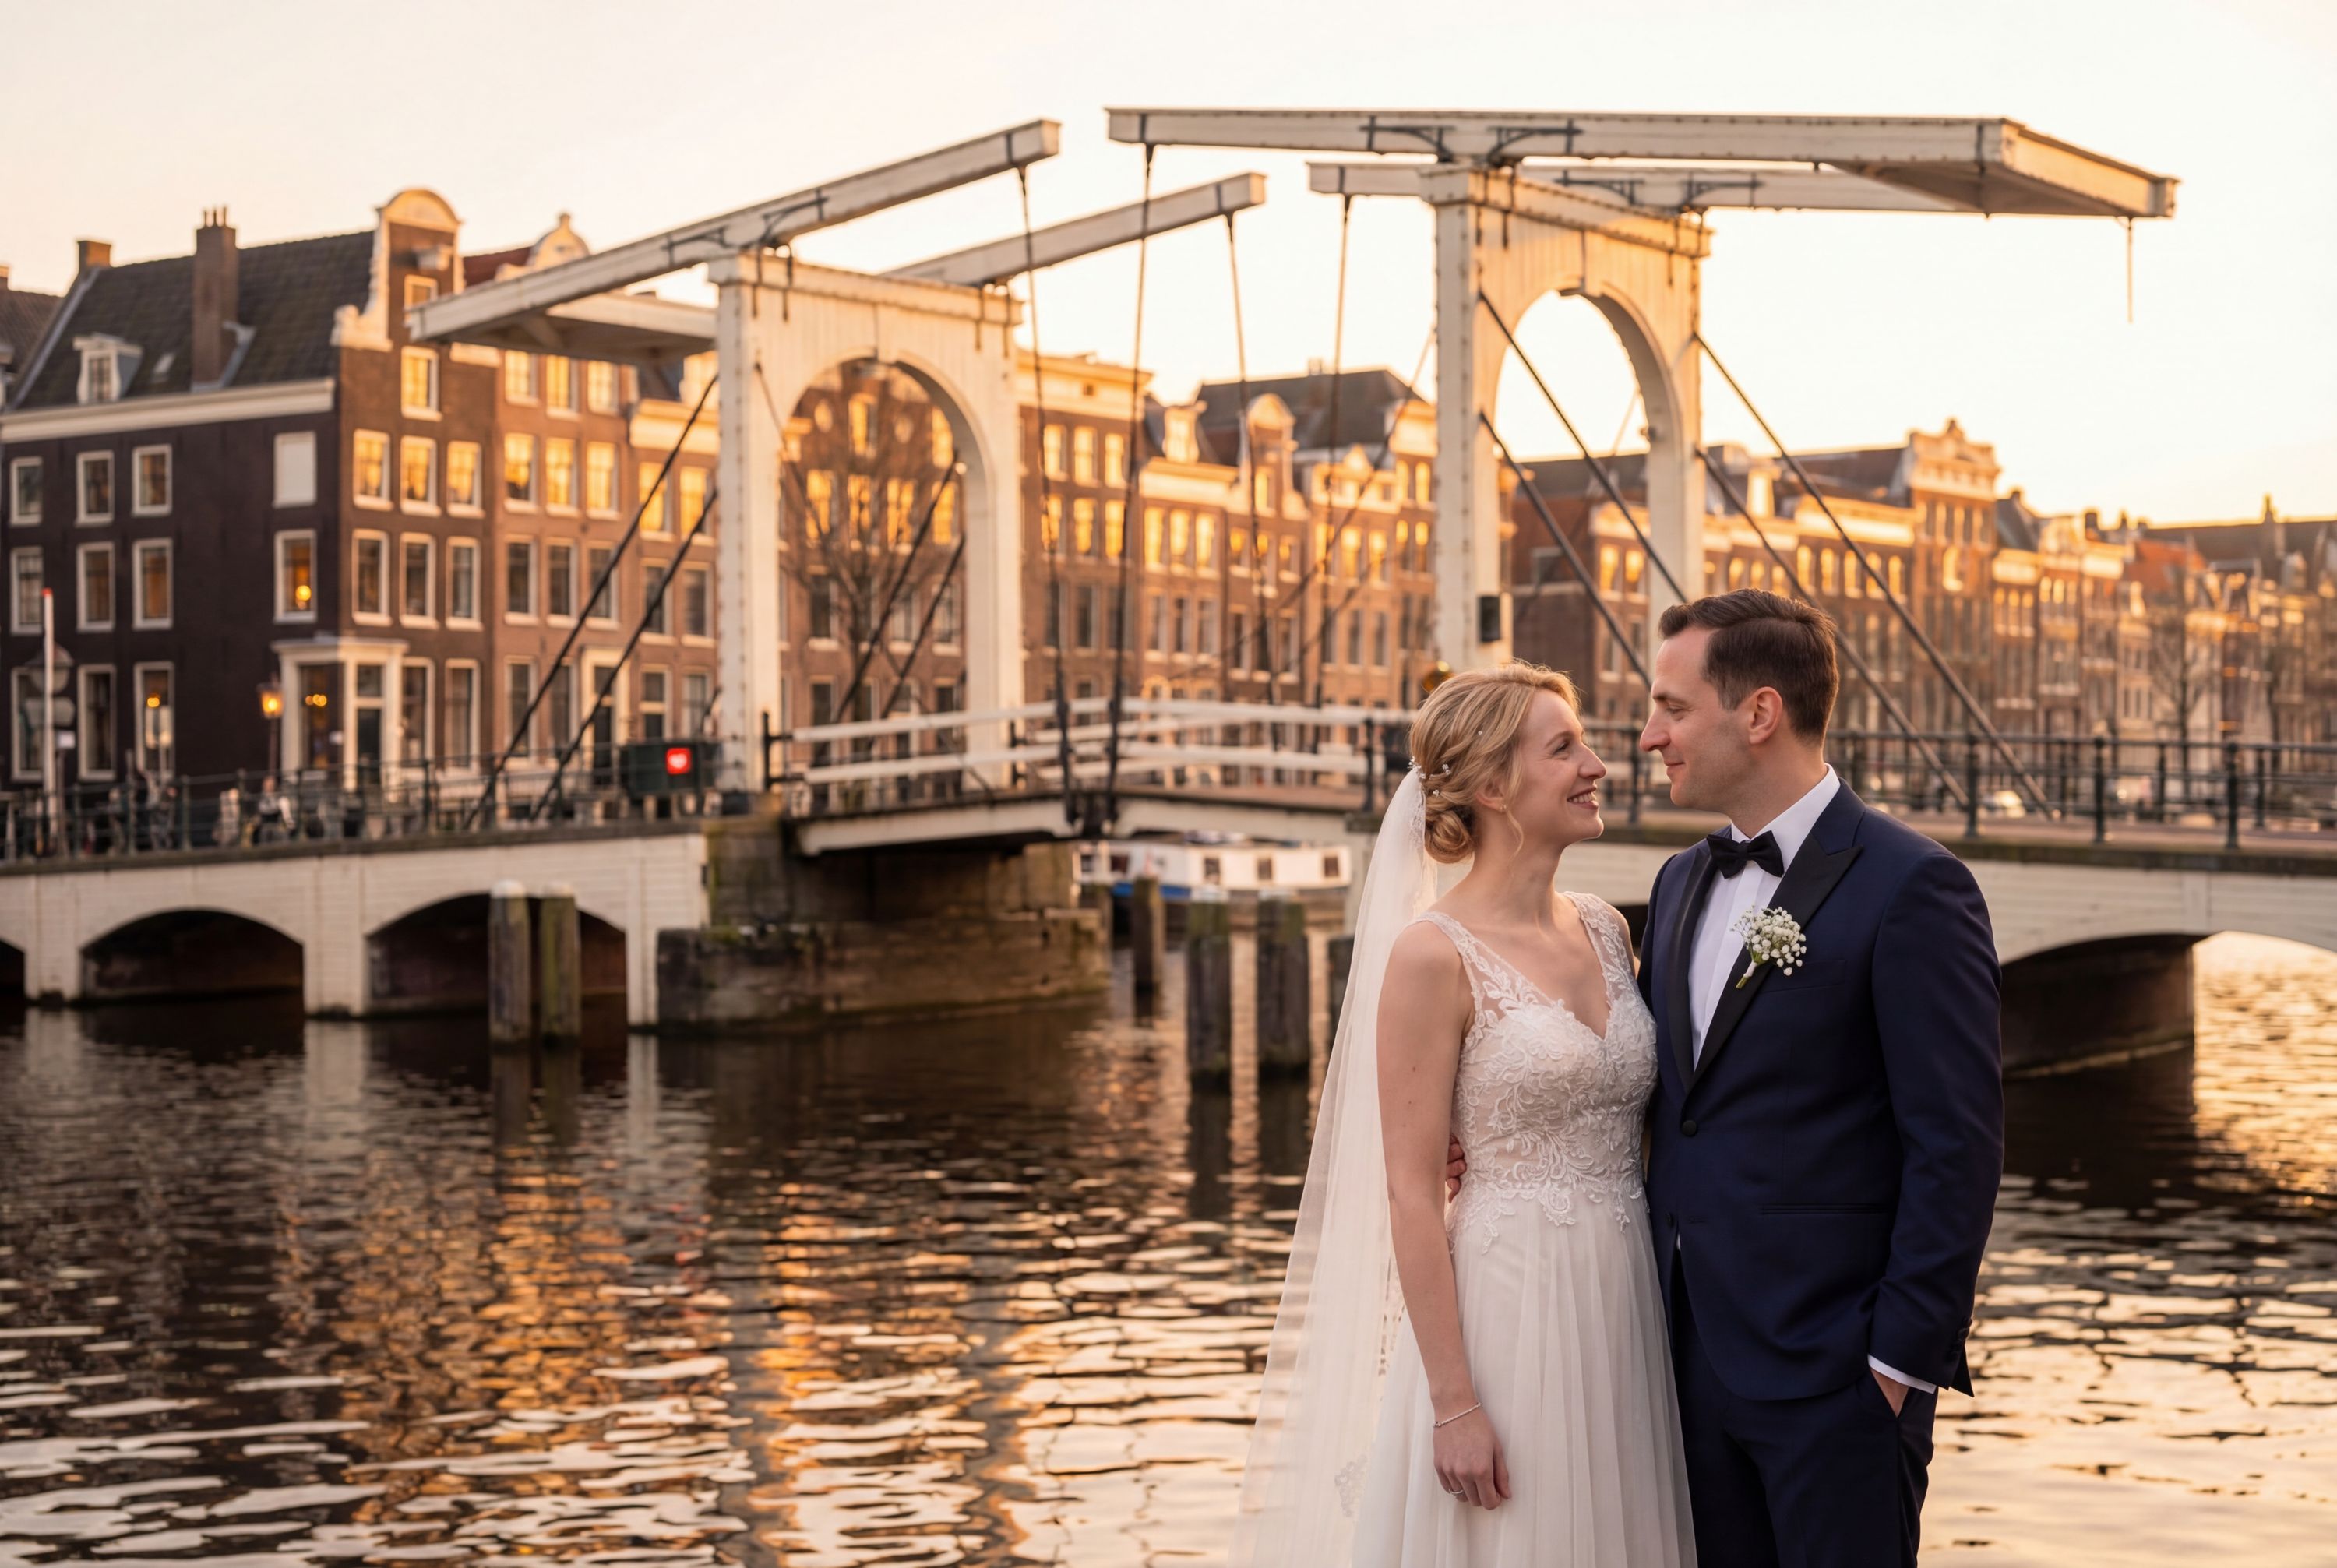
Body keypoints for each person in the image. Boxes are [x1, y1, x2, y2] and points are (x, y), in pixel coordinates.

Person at [1228, 662, 1695, 1567]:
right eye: (1565, 748)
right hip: (1508, 1307)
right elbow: (1409, 1193)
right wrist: (1455, 1403)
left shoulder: (1608, 928)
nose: (1600, 763)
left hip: (1626, 1296)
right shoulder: (1431, 955)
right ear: (1491, 785)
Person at [1627, 590, 2000, 1567]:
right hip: (1682, 1362)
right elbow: (1674, 1100)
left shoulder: (1913, 886)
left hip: (1836, 1377)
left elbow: (1955, 1144)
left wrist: (1894, 1364)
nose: (1646, 734)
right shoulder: (1678, 883)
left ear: (1758, 713)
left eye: (1671, 707)